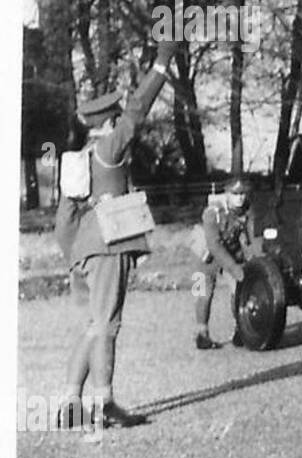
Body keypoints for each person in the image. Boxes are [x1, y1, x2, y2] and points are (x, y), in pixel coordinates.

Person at [54, 36, 178, 430]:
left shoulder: (79, 161)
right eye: (117, 116)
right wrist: (162, 63)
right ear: (107, 121)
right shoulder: (110, 148)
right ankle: (104, 403)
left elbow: (63, 220)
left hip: (86, 250)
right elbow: (138, 111)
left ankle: (71, 403)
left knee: (93, 325)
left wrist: (73, 258)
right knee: (108, 326)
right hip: (110, 246)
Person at [193, 177, 254, 350]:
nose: (240, 198)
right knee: (202, 293)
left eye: (242, 194)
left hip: (232, 253)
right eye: (235, 194)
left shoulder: (247, 210)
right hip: (204, 256)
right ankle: (201, 334)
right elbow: (214, 245)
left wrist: (251, 260)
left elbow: (250, 237)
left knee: (239, 289)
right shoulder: (212, 212)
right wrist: (234, 268)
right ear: (227, 194)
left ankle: (240, 329)